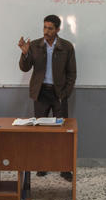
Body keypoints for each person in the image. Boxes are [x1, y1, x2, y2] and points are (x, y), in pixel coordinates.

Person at [18, 13, 77, 180]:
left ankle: (65, 168)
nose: (46, 31)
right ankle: (41, 165)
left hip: (59, 94)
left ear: (57, 29)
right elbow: (25, 68)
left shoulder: (66, 47)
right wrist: (25, 54)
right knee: (40, 132)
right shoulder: (35, 45)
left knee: (63, 132)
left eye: (50, 28)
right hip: (41, 93)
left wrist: (64, 94)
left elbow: (72, 73)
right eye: (44, 27)